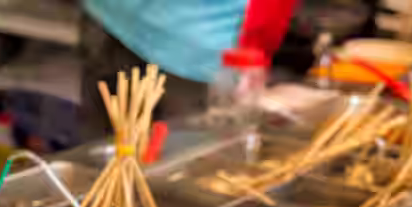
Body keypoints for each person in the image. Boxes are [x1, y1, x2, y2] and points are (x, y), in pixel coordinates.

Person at [79, 0, 299, 141]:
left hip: (198, 47)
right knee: (100, 163)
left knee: (176, 178)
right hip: (109, 18)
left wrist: (256, 44)